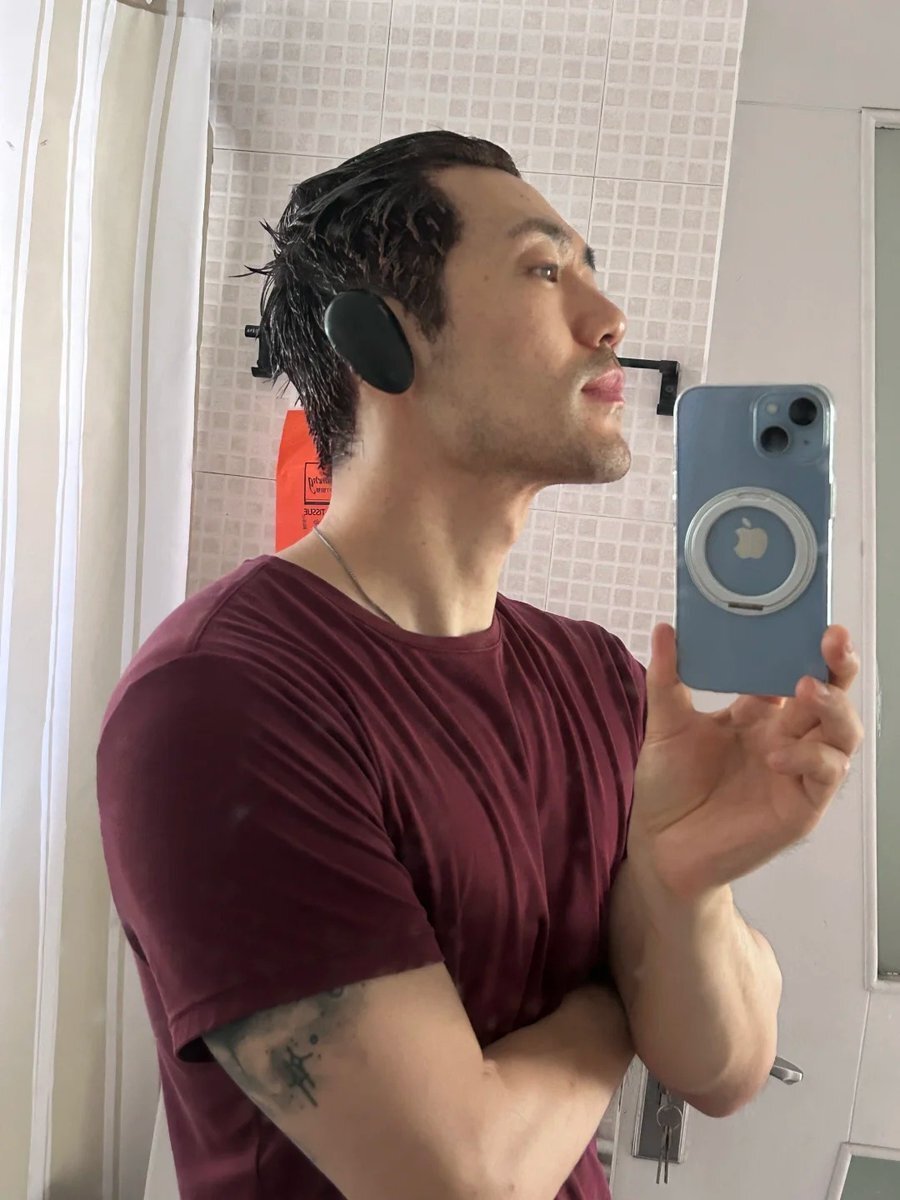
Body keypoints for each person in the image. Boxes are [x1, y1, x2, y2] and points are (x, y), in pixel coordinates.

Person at [96, 130, 863, 1200]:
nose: (609, 318)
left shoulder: (603, 680)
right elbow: (454, 1182)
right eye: (546, 271)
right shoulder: (221, 701)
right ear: (380, 338)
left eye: (591, 271)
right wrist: (618, 990)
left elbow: (725, 1070)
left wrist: (682, 885)